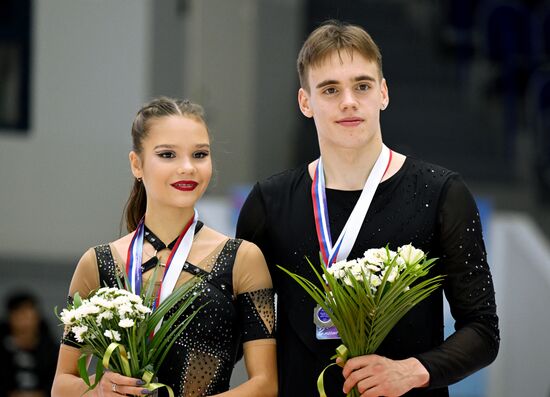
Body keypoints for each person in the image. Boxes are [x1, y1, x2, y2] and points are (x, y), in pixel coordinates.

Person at [236, 20, 499, 397]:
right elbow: (239, 331)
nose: (348, 101)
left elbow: (483, 331)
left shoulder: (442, 193)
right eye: (330, 89)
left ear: (383, 93)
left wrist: (412, 371)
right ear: (305, 102)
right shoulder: (269, 202)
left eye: (362, 85)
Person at [51, 97, 278, 397]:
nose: (187, 167)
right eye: (168, 154)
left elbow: (265, 384)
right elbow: (61, 385)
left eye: (199, 154)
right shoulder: (98, 262)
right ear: (137, 164)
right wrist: (98, 390)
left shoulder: (242, 259)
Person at [0, 291, 58, 397]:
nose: (24, 320)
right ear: (10, 317)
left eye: (27, 313)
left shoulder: (50, 350)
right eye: (19, 313)